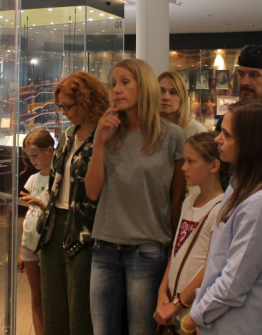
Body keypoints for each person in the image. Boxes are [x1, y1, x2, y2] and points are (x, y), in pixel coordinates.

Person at [87, 58, 186, 335]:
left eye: (125, 82)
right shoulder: (107, 133)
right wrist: (98, 143)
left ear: (144, 86)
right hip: (104, 246)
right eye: (113, 83)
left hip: (148, 249)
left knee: (142, 330)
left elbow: (177, 199)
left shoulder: (173, 136)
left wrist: (172, 249)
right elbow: (92, 192)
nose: (116, 89)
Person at [180, 101, 262, 334]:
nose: (217, 139)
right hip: (223, 322)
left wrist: (193, 318)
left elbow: (233, 283)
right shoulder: (238, 187)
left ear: (250, 143)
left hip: (244, 325)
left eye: (227, 134)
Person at [37, 71, 110, 335]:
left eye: (68, 106)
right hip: (54, 224)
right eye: (60, 106)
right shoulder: (68, 134)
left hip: (85, 229)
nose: (63, 112)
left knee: (81, 308)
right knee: (53, 303)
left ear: (87, 101)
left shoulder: (105, 136)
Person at [153, 132, 228, 330]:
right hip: (173, 307)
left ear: (214, 166)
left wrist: (178, 303)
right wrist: (163, 292)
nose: (183, 167)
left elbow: (211, 267)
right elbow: (177, 250)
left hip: (193, 313)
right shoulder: (188, 202)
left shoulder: (220, 209)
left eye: (191, 161)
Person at [19, 128, 54, 335]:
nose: (32, 160)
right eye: (28, 156)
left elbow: (59, 214)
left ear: (49, 150)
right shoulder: (32, 179)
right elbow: (28, 216)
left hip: (49, 244)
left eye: (35, 155)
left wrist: (40, 203)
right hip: (29, 243)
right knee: (35, 295)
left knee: (51, 296)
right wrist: (21, 249)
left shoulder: (58, 179)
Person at [159, 71, 207, 137]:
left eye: (173, 92)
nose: (166, 98)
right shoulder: (147, 127)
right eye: (161, 91)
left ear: (182, 97)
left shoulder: (197, 130)